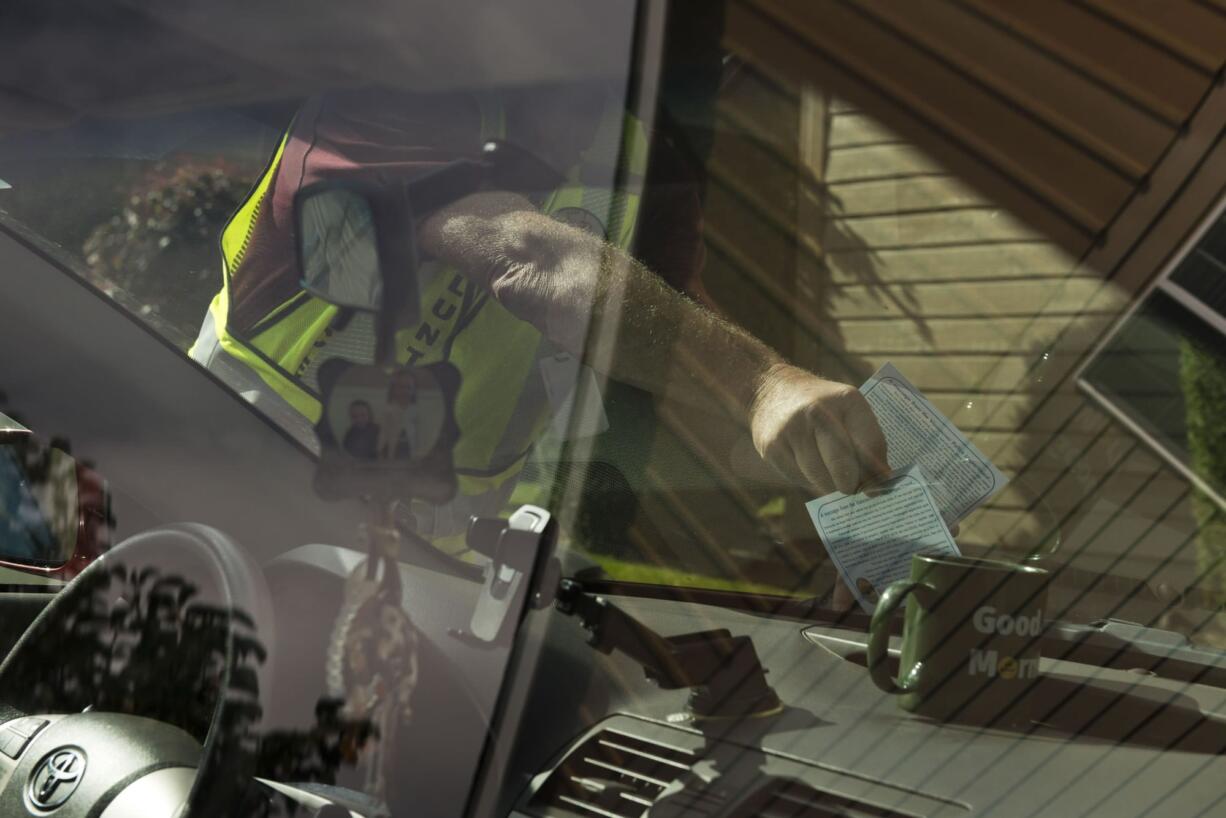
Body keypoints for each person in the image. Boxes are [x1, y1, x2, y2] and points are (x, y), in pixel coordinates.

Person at [190, 84, 888, 607]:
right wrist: (761, 385)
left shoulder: (640, 157)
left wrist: (815, 467)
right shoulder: (397, 89)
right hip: (245, 500)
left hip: (438, 564)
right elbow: (527, 259)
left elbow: (676, 342)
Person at [378, 371, 417, 461]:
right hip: (392, 454)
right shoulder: (387, 411)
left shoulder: (416, 411)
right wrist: (379, 452)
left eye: (408, 387)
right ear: (393, 390)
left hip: (413, 455)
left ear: (413, 390)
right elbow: (382, 434)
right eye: (400, 387)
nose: (404, 391)